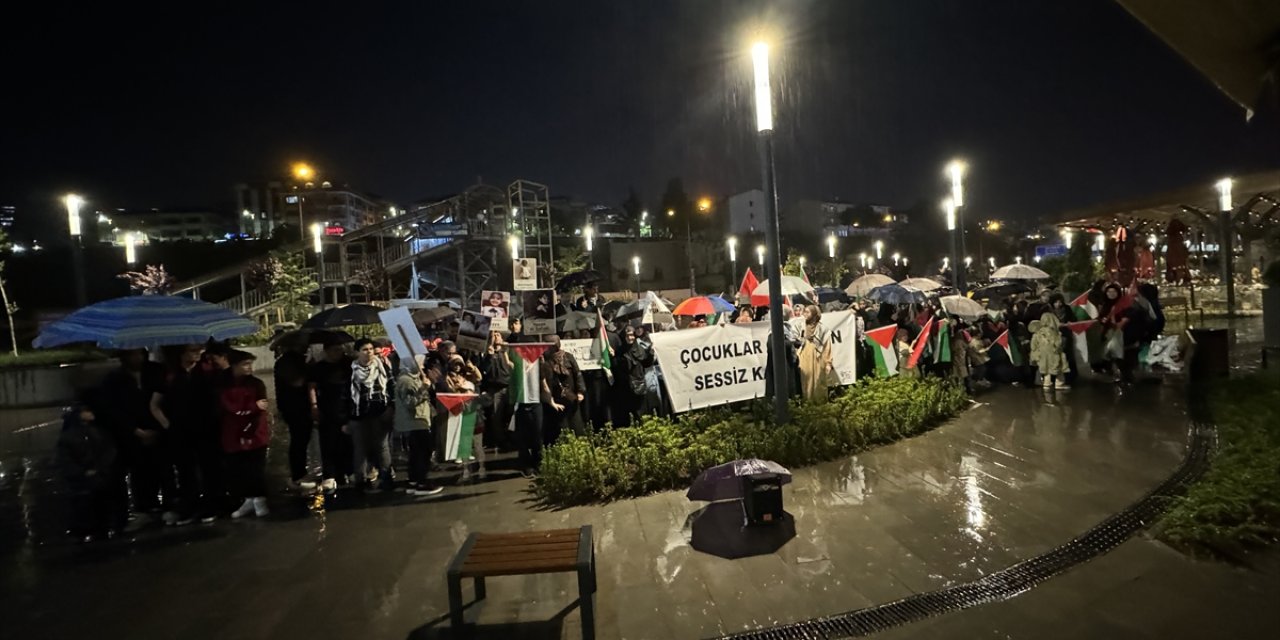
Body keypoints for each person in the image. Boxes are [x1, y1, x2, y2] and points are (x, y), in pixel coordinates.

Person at [149, 343, 221, 525]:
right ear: (181, 353)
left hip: (205, 430)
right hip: (180, 431)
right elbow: (155, 404)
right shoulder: (170, 375)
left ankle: (211, 506)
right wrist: (168, 426)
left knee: (209, 469)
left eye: (199, 351)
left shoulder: (207, 372)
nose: (197, 354)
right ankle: (191, 507)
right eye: (193, 351)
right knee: (185, 471)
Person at [98, 348, 169, 525]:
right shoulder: (114, 379)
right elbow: (112, 409)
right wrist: (135, 430)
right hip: (130, 433)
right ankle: (144, 507)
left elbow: (165, 398)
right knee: (138, 471)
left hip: (157, 428)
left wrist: (158, 428)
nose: (136, 358)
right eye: (131, 354)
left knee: (162, 468)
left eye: (139, 354)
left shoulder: (156, 371)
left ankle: (163, 506)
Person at [57, 394, 118, 542]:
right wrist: (85, 472)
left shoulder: (94, 432)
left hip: (93, 477)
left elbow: (108, 451)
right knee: (88, 507)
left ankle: (93, 531)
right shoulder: (77, 436)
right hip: (85, 480)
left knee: (96, 506)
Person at [220, 350, 271, 519]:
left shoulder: (256, 384)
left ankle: (259, 499)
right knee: (238, 469)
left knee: (256, 468)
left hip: (255, 433)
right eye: (245, 364)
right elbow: (229, 408)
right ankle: (248, 500)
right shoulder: (222, 384)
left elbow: (262, 407)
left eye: (250, 363)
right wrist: (252, 408)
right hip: (232, 434)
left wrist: (252, 413)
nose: (249, 367)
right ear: (234, 365)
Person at [346, 338, 393, 492]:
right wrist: (345, 419)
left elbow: (391, 387)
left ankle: (386, 477)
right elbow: (345, 396)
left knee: (382, 446)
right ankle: (360, 481)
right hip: (358, 416)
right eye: (365, 350)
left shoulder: (382, 367)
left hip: (380, 413)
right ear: (357, 352)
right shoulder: (351, 371)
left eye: (371, 349)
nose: (369, 353)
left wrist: (390, 407)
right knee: (360, 448)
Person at [308, 336, 354, 494]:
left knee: (347, 441)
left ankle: (347, 471)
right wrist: (314, 405)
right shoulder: (319, 368)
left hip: (346, 407)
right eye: (335, 350)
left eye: (340, 349)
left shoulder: (348, 364)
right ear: (327, 351)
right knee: (328, 443)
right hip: (327, 409)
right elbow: (312, 386)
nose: (338, 352)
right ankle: (330, 475)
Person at [394, 355, 443, 496]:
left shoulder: (414, 378)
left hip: (420, 419)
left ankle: (414, 481)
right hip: (414, 421)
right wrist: (423, 389)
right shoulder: (405, 380)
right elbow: (409, 403)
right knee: (422, 453)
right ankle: (421, 482)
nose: (422, 365)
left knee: (417, 453)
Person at [273, 340, 317, 492]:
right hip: (294, 408)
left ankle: (300, 473)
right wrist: (310, 367)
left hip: (298, 407)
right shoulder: (286, 362)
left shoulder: (295, 359)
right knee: (299, 440)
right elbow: (297, 382)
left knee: (302, 440)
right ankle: (298, 475)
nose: (306, 345)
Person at [437, 353, 486, 480]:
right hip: (458, 413)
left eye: (459, 364)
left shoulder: (468, 377)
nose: (457, 367)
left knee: (477, 443)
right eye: (455, 364)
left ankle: (481, 467)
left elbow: (478, 378)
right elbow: (446, 392)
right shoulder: (447, 379)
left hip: (473, 413)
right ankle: (464, 469)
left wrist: (472, 367)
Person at [543, 336, 586, 444]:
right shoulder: (545, 360)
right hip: (556, 399)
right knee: (560, 428)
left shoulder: (568, 357)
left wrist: (580, 391)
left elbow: (578, 373)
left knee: (577, 427)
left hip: (571, 397)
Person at [611, 325, 653, 427]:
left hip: (639, 385)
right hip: (625, 388)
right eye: (628, 335)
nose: (631, 338)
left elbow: (646, 363)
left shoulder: (639, 349)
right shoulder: (620, 351)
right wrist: (613, 357)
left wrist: (651, 354)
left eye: (632, 335)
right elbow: (616, 369)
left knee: (640, 413)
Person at [797, 305, 834, 403]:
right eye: (805, 311)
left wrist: (828, 363)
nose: (805, 314)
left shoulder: (822, 329)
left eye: (808, 312)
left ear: (814, 314)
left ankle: (820, 406)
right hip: (805, 355)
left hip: (818, 357)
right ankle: (807, 403)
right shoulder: (801, 326)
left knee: (818, 380)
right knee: (806, 380)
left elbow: (827, 347)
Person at [1030, 312, 1070, 389]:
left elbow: (1033, 345)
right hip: (1054, 354)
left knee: (1046, 369)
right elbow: (1058, 343)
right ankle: (1059, 383)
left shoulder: (1038, 332)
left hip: (1042, 355)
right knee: (1059, 367)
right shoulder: (1054, 332)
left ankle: (1046, 383)